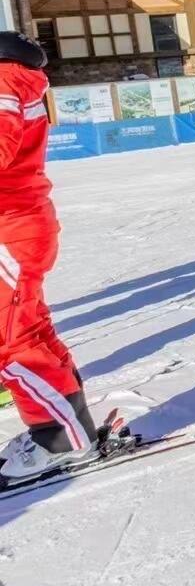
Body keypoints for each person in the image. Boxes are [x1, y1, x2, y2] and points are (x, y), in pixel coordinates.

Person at [0, 32, 102, 482]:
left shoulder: (4, 79)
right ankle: (63, 426)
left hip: (9, 228)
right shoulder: (17, 80)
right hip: (20, 224)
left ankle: (62, 440)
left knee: (11, 343)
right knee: (30, 332)